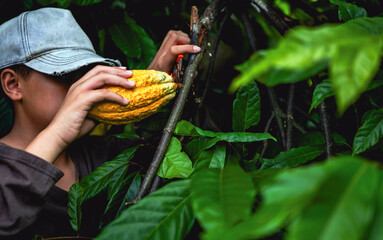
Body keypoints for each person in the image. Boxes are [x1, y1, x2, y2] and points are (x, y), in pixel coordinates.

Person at [0, 7, 200, 239]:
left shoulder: (107, 155)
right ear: (13, 84)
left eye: (87, 72)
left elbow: (175, 160)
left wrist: (152, 94)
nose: (82, 87)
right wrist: (58, 133)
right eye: (64, 74)